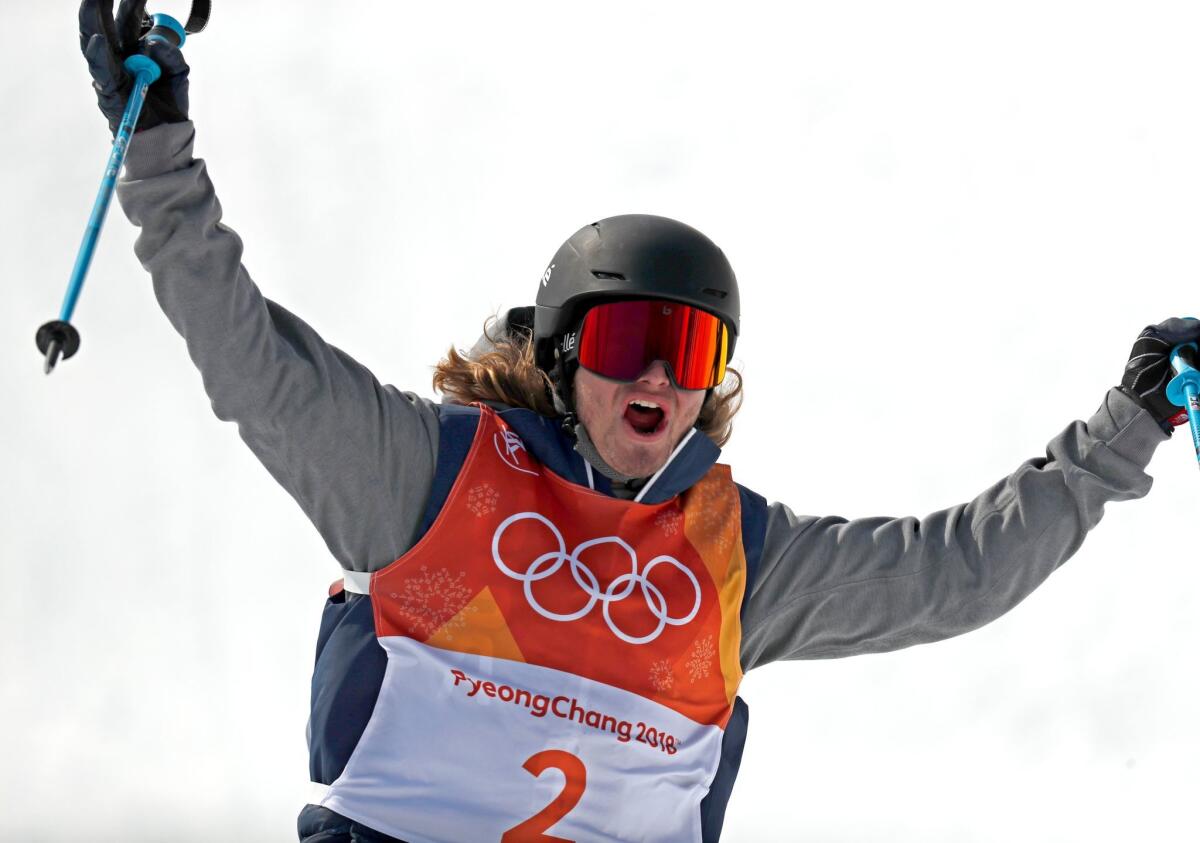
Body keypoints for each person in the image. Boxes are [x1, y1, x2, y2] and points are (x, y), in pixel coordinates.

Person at [80, 2, 1200, 841]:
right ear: (566, 360)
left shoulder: (740, 557)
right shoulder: (429, 478)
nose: (660, 376)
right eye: (626, 346)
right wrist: (156, 145)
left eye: (696, 352)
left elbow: (959, 573)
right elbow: (249, 359)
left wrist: (1133, 420)